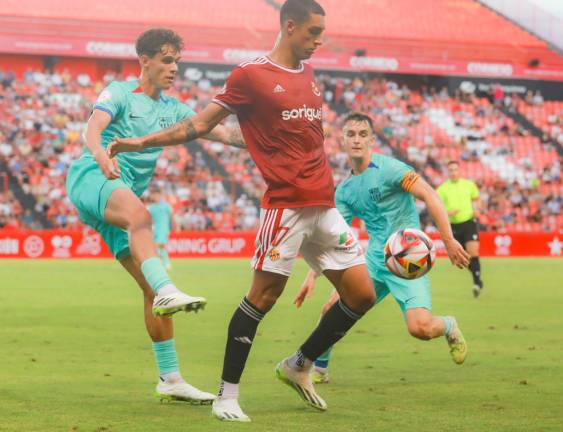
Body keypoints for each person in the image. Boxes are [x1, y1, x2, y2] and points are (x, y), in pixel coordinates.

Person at [108, 0, 378, 422]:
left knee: (362, 295)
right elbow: (198, 125)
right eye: (312, 32)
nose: (319, 40)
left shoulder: (309, 75)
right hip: (286, 209)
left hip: (324, 205)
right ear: (290, 27)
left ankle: (299, 364)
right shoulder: (250, 75)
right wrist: (140, 143)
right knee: (263, 298)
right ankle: (226, 396)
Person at [65, 28, 242, 404]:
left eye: (177, 60)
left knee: (148, 282)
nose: (174, 67)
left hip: (120, 194)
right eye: (166, 60)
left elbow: (225, 136)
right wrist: (101, 156)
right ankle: (167, 290)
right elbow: (92, 130)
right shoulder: (119, 92)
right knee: (142, 219)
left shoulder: (175, 110)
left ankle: (171, 378)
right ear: (144, 60)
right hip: (92, 176)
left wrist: (275, 132)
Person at [292, 112, 470, 384]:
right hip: (376, 260)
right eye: (351, 134)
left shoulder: (391, 170)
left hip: (409, 258)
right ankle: (320, 369)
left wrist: (448, 239)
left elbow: (430, 195)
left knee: (420, 329)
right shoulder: (345, 191)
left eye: (363, 134)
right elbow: (333, 236)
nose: (357, 140)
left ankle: (448, 325)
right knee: (331, 309)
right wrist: (312, 275)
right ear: (342, 140)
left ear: (372, 140)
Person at [437, 161, 484, 297]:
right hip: (453, 226)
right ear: (448, 172)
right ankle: (477, 277)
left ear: (459, 171)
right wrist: (447, 213)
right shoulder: (442, 189)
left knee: (473, 252)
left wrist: (477, 210)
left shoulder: (469, 185)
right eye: (450, 170)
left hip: (469, 222)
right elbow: (437, 208)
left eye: (455, 169)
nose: (453, 172)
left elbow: (476, 199)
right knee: (464, 258)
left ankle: (476, 282)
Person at [147, 189, 173, 270]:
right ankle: (164, 263)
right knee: (158, 247)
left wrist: (173, 227)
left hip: (164, 229)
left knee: (159, 246)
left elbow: (171, 217)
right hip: (155, 230)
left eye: (156, 195)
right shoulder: (151, 208)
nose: (155, 197)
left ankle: (165, 263)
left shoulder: (166, 206)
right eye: (153, 195)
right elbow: (150, 220)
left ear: (160, 196)